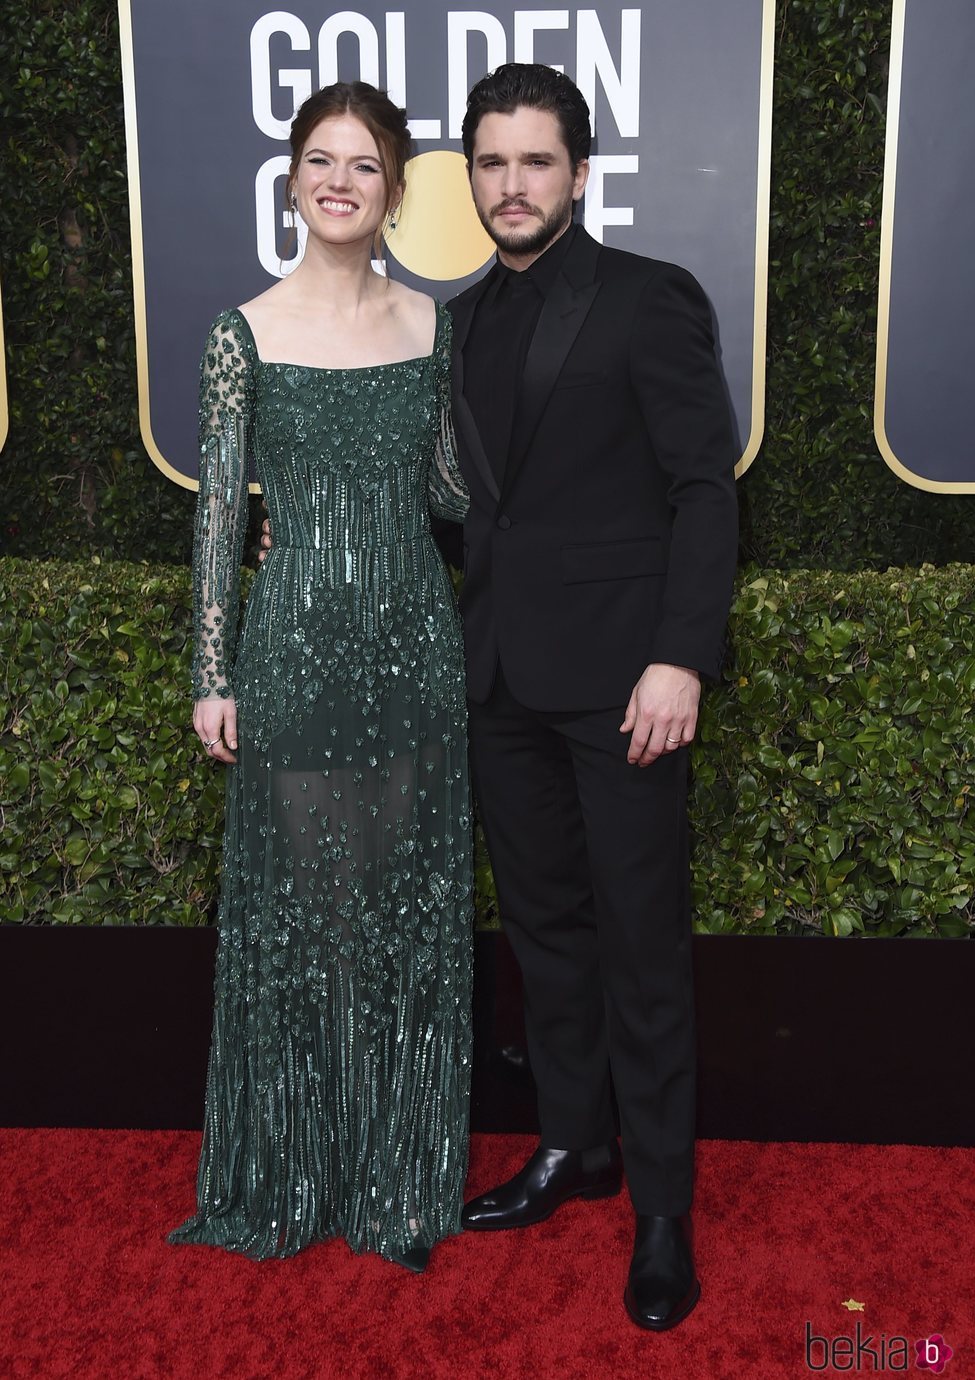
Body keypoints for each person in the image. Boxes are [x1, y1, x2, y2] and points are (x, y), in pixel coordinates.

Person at [450, 64, 738, 1330]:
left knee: (637, 943)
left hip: (625, 685)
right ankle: (577, 1146)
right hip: (501, 679)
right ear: (467, 178)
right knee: (545, 936)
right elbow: (476, 507)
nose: (511, 185)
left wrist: (679, 655)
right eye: (490, 163)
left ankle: (662, 1206)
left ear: (578, 172)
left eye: (534, 162)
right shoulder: (457, 319)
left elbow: (703, 488)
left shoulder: (646, 300)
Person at [170, 81, 473, 1274]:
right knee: (310, 921)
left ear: (394, 190)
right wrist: (211, 671)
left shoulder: (433, 330)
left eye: (363, 163)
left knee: (399, 915)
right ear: (292, 180)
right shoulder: (241, 332)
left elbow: (451, 494)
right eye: (319, 159)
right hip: (291, 648)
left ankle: (393, 1164)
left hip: (413, 645)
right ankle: (296, 1168)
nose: (339, 179)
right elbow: (214, 518)